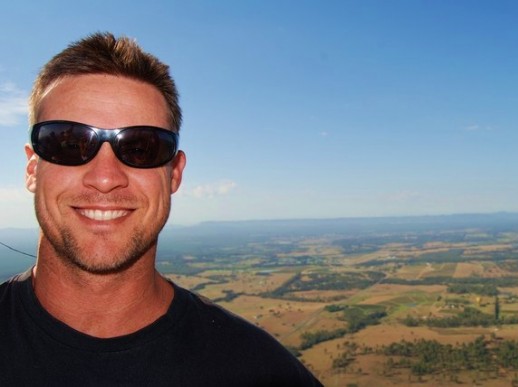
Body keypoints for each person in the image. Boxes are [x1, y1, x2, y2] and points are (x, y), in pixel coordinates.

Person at [0, 32, 322, 386]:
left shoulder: (264, 373)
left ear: (174, 174)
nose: (105, 178)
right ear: (33, 168)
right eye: (69, 143)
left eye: (141, 148)